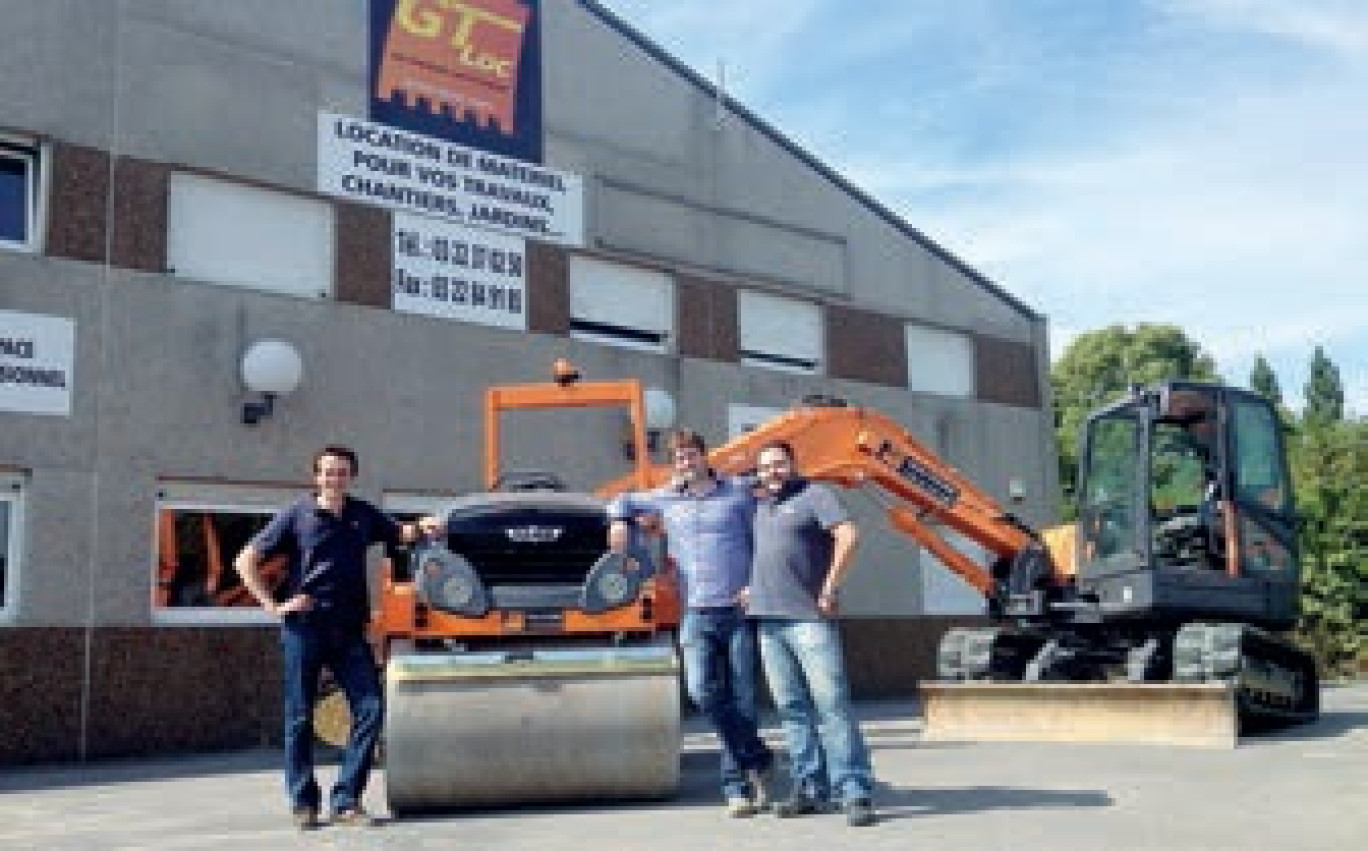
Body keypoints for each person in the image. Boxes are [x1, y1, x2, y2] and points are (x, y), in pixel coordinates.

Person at [234, 444, 440, 830]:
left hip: (348, 631)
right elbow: (244, 560)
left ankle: (346, 799)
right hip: (305, 629)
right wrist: (274, 606)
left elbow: (402, 532)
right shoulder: (296, 515)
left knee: (371, 709)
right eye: (328, 472)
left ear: (351, 476)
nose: (335, 478)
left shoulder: (361, 515)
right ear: (317, 477)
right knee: (299, 718)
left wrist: (425, 525)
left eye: (342, 472)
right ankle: (303, 802)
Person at [607, 428, 775, 818]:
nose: (686, 462)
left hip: (737, 610)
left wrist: (755, 584)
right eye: (679, 457)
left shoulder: (736, 493)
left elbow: (765, 536)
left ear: (704, 456)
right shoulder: (664, 499)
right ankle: (758, 758)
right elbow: (622, 500)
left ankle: (739, 788)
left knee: (743, 699)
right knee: (702, 692)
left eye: (691, 455)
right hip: (695, 614)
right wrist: (618, 521)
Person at [742, 440, 877, 827]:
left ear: (793, 463)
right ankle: (810, 790)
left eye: (779, 464)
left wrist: (831, 586)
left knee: (831, 706)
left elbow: (849, 535)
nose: (772, 471)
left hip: (809, 620)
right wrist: (751, 587)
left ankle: (853, 792)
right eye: (765, 466)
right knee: (792, 710)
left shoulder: (816, 495)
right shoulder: (759, 505)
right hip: (768, 621)